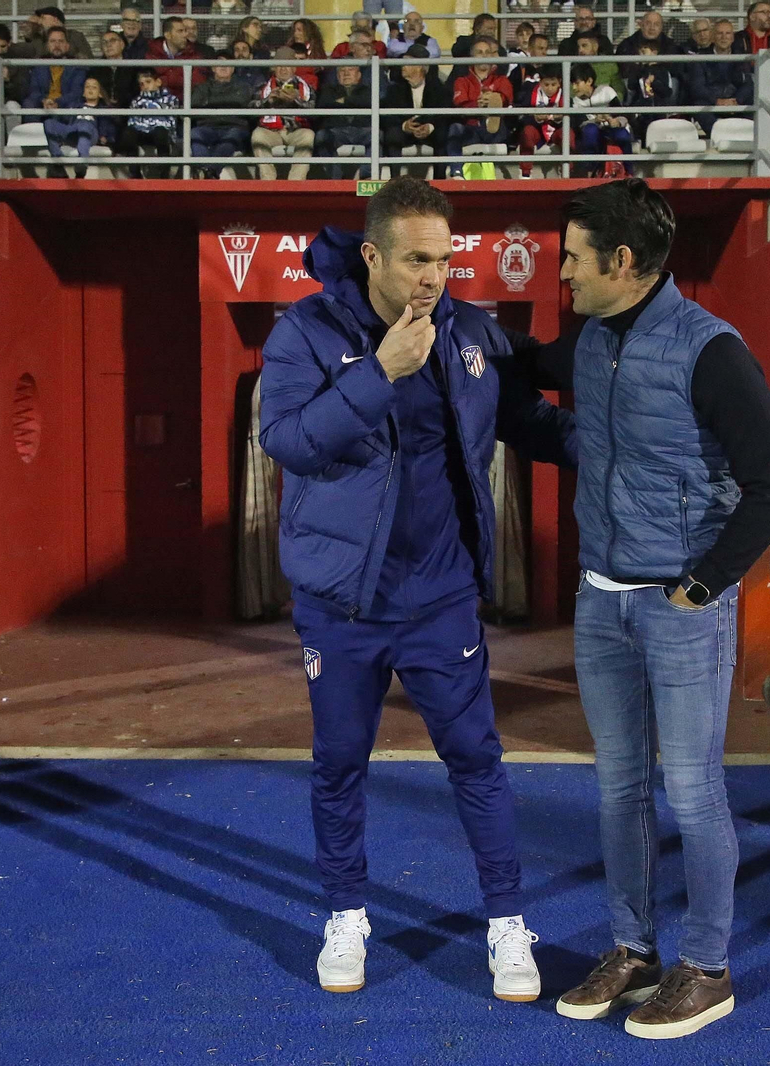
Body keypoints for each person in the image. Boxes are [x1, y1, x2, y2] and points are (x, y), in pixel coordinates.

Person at [257, 175, 575, 1003]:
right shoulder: (307, 330)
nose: (434, 277)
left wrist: (625, 445)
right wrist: (380, 375)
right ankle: (346, 915)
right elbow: (286, 440)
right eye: (417, 261)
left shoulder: (468, 331)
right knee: (339, 765)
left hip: (440, 598)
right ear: (372, 255)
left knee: (476, 759)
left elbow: (529, 422)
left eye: (444, 260)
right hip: (343, 602)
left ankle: (507, 925)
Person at [530, 179, 770, 1040]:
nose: (560, 272)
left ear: (623, 261)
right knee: (618, 789)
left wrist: (702, 585)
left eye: (573, 258)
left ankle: (707, 970)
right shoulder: (589, 339)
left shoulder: (711, 350)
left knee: (692, 791)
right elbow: (518, 377)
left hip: (682, 607)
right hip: (600, 602)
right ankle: (633, 949)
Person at [381, 44, 450, 177]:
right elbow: (387, 115)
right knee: (392, 134)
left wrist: (429, 126)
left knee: (442, 134)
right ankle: (395, 181)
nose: (403, 66)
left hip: (428, 130)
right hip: (406, 131)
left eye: (407, 62)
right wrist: (404, 125)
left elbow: (444, 114)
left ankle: (439, 181)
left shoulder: (438, 88)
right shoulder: (395, 89)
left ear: (419, 67)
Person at [252, 46, 315, 180]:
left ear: (294, 68)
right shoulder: (263, 85)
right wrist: (267, 101)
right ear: (274, 68)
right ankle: (268, 181)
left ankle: (295, 182)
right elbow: (251, 109)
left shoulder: (305, 87)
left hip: (295, 130)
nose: (283, 69)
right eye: (279, 65)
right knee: (257, 135)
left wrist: (296, 100)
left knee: (309, 136)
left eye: (287, 65)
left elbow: (313, 112)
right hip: (271, 131)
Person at [685, 18, 754, 135]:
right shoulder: (700, 57)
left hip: (734, 101)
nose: (724, 37)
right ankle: (719, 135)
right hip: (712, 102)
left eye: (728, 33)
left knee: (753, 100)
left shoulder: (742, 57)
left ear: (732, 37)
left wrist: (736, 101)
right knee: (698, 104)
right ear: (712, 37)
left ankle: (745, 135)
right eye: (719, 33)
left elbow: (748, 83)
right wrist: (717, 101)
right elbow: (697, 87)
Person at [447, 35, 513, 156]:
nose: (484, 55)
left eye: (487, 52)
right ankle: (457, 172)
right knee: (455, 128)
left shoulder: (502, 80)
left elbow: (507, 100)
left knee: (497, 103)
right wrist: (477, 104)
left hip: (496, 129)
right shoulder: (462, 81)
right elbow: (460, 105)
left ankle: (491, 113)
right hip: (470, 126)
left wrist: (494, 101)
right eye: (479, 52)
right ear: (472, 57)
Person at [188, 54, 249, 178]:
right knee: (194, 134)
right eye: (220, 63)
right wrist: (230, 102)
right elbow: (194, 106)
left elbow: (242, 102)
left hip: (233, 127)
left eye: (228, 64)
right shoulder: (202, 88)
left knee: (232, 136)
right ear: (213, 68)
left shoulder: (243, 87)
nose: (223, 67)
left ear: (233, 69)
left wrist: (209, 102)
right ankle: (208, 171)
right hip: (208, 127)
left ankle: (207, 171)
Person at [569, 65, 632, 176]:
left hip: (610, 129)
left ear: (589, 81)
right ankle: (589, 172)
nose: (574, 88)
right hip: (593, 132)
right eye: (572, 84)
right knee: (590, 131)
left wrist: (616, 121)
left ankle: (629, 172)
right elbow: (578, 124)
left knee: (622, 135)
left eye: (577, 83)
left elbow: (622, 114)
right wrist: (596, 120)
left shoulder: (606, 91)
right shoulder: (574, 101)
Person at [316, 62, 373, 178]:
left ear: (359, 75)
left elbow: (366, 102)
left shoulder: (367, 90)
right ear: (337, 76)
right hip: (337, 130)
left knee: (378, 136)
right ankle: (335, 178)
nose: (346, 73)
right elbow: (324, 104)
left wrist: (343, 101)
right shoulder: (329, 89)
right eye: (342, 70)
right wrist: (355, 101)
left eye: (351, 69)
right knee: (321, 136)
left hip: (362, 129)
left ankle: (364, 174)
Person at [730, 1, 770, 98]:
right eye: (764, 12)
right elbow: (738, 65)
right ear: (752, 16)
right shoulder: (738, 38)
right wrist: (762, 73)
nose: (769, 16)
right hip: (746, 83)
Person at [518, 64, 566, 173]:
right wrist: (535, 117)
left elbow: (574, 121)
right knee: (527, 132)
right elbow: (521, 118)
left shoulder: (565, 95)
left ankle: (567, 170)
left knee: (568, 134)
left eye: (553, 84)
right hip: (538, 130)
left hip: (556, 130)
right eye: (546, 84)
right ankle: (525, 173)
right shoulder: (531, 94)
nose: (550, 88)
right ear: (540, 83)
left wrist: (560, 119)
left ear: (559, 82)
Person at [145, 16, 200, 101]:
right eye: (180, 31)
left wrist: (163, 80)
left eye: (185, 30)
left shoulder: (194, 55)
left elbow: (197, 84)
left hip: (184, 105)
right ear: (168, 35)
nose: (185, 34)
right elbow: (146, 83)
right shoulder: (150, 53)